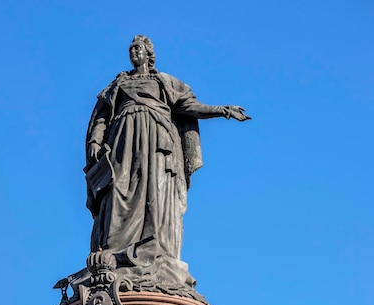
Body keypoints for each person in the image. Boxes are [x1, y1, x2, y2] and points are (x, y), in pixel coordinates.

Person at [85, 35, 250, 291]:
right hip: (123, 141)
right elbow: (102, 116)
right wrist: (96, 141)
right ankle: (115, 252)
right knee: (118, 189)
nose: (133, 52)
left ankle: (154, 250)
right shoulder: (119, 83)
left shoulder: (164, 82)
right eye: (131, 49)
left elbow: (190, 107)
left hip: (157, 143)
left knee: (155, 194)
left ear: (149, 54)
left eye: (138, 48)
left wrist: (223, 110)